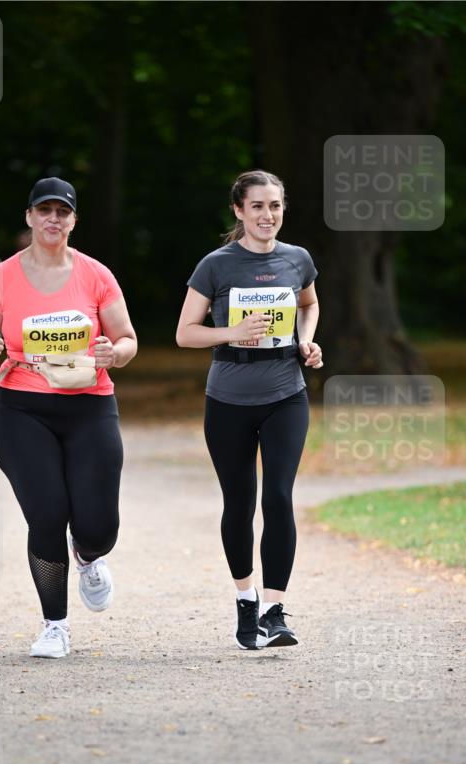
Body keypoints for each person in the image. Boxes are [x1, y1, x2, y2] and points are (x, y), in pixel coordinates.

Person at [0, 177, 137, 658]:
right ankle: (54, 625)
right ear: (30, 217)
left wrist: (112, 353)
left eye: (63, 212)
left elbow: (127, 340)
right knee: (46, 514)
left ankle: (87, 555)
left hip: (90, 405)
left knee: (99, 526)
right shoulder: (3, 277)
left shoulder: (96, 275)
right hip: (22, 408)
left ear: (74, 221)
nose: (53, 219)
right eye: (45, 210)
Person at [176, 170, 321, 650]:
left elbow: (309, 304)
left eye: (275, 205)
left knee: (278, 497)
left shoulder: (297, 259)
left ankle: (274, 611)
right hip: (228, 401)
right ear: (238, 211)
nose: (268, 215)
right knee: (239, 505)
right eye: (257, 206)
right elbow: (185, 333)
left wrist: (306, 341)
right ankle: (245, 597)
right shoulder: (216, 266)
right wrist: (230, 334)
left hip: (286, 394)